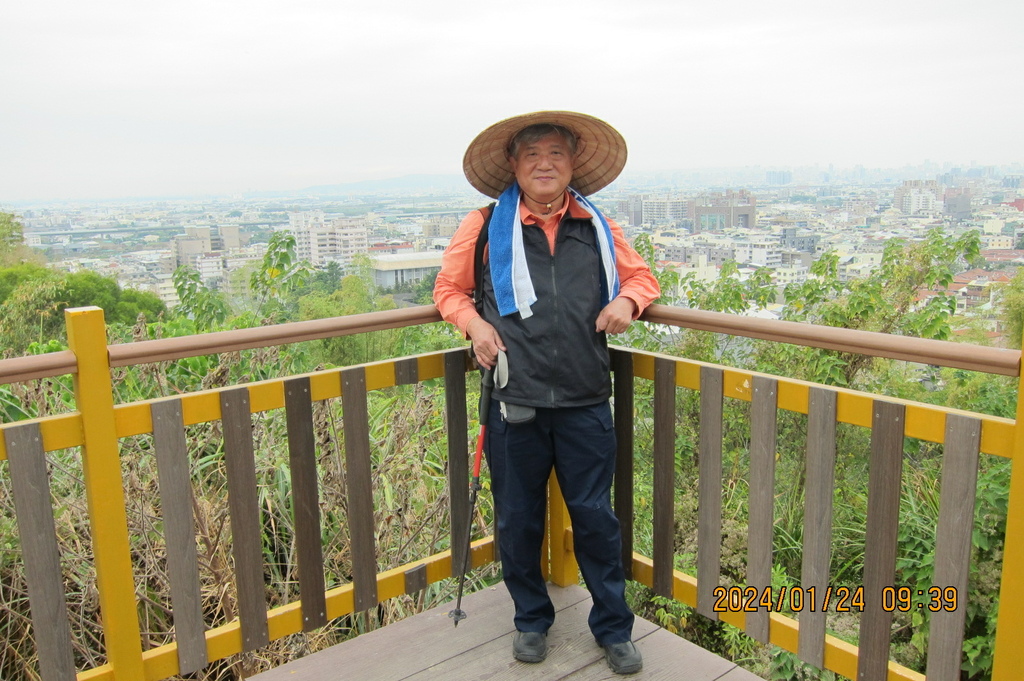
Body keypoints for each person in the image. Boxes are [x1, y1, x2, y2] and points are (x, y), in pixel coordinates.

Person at [433, 111, 660, 675]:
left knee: (596, 519)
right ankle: (531, 618)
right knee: (518, 519)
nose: (544, 164)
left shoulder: (597, 227)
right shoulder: (485, 225)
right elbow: (449, 289)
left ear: (572, 164)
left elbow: (641, 279)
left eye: (556, 153)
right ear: (513, 165)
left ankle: (613, 627)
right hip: (515, 399)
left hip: (586, 398)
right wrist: (475, 326)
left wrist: (625, 304)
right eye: (532, 154)